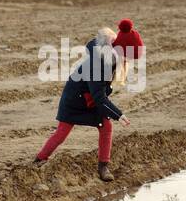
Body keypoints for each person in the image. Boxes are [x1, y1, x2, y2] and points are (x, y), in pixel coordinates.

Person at [34, 27, 129, 181]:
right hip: (74, 101)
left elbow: (100, 94)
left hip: (90, 101)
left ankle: (103, 166)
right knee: (61, 133)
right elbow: (100, 97)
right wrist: (119, 115)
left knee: (106, 126)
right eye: (114, 43)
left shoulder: (109, 59)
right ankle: (40, 159)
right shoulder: (96, 64)